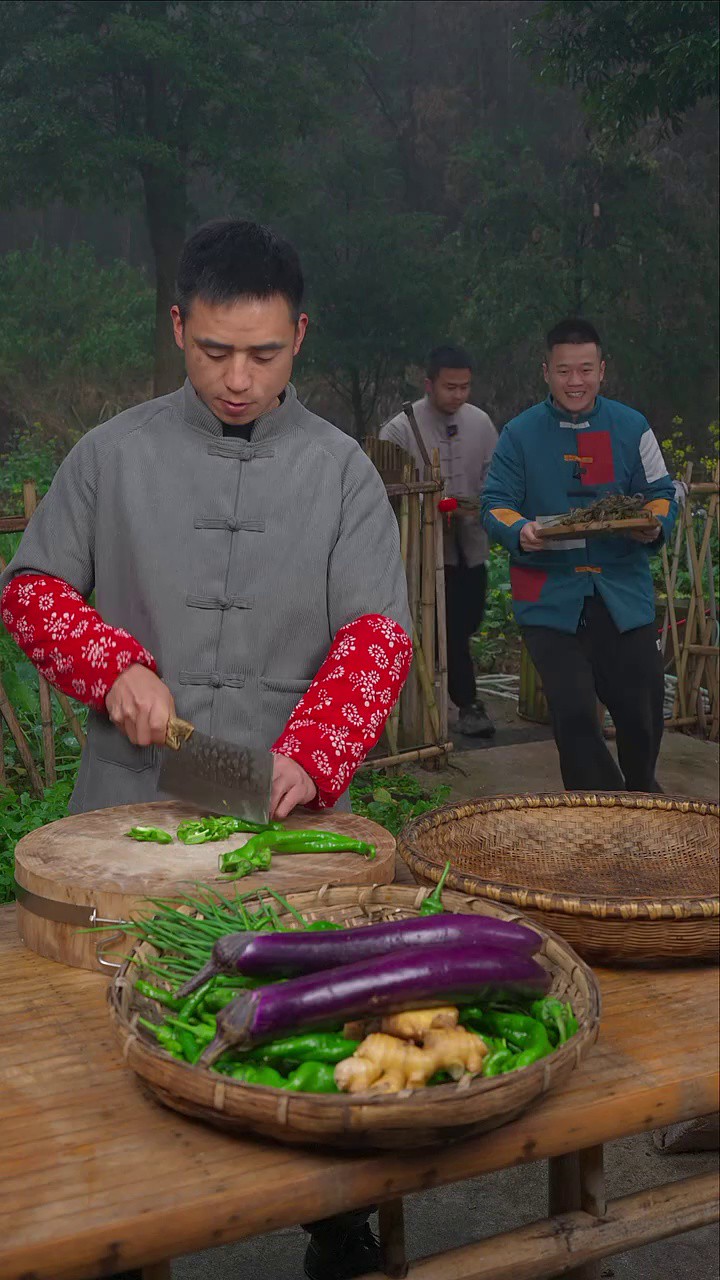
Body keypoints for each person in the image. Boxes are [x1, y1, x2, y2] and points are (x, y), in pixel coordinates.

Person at [1, 219, 413, 1280]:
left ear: (300, 337)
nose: (238, 377)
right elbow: (33, 590)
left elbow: (378, 635)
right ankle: (134, 1240)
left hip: (284, 816)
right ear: (178, 326)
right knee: (123, 1026)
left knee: (303, 1019)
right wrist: (108, 662)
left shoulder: (342, 475)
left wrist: (315, 751)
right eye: (215, 350)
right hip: (125, 807)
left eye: (264, 354)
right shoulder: (111, 453)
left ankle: (333, 1219)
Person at [481, 318, 677, 792]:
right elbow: (495, 504)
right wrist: (520, 530)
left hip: (621, 594)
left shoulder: (632, 427)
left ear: (602, 370)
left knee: (643, 707)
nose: (575, 382)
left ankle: (642, 789)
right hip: (549, 597)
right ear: (546, 371)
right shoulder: (519, 434)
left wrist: (651, 523)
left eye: (585, 370)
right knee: (572, 712)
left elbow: (660, 493)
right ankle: (599, 806)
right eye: (564, 371)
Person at [380, 345, 497, 736]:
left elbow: (494, 482)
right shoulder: (399, 429)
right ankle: (464, 704)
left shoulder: (481, 424)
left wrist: (477, 508)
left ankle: (453, 696)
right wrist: (430, 507)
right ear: (429, 384)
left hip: (472, 548)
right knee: (441, 628)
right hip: (423, 556)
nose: (459, 395)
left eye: (465, 387)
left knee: (466, 622)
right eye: (450, 387)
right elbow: (386, 495)